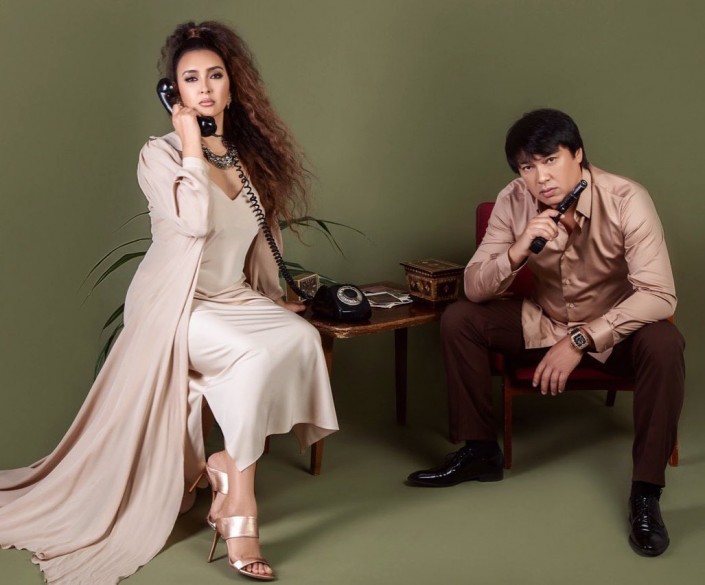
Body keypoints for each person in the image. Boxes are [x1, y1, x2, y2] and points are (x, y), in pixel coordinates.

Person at [0, 20, 338, 583]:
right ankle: (240, 508)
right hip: (177, 304)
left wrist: (273, 299)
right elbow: (195, 222)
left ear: (232, 86)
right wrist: (190, 146)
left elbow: (261, 240)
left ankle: (226, 463)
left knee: (301, 339)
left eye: (215, 75)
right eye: (190, 79)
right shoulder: (158, 156)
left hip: (232, 297)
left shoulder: (245, 158)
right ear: (173, 92)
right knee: (254, 358)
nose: (204, 87)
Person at [406, 109, 684, 557]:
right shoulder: (513, 199)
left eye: (550, 160)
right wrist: (517, 251)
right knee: (460, 318)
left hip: (613, 329)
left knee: (665, 343)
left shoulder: (627, 198)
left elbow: (659, 295)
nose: (540, 177)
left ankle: (646, 493)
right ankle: (480, 452)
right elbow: (474, 288)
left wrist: (580, 340)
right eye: (527, 167)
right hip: (544, 317)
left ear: (578, 154)